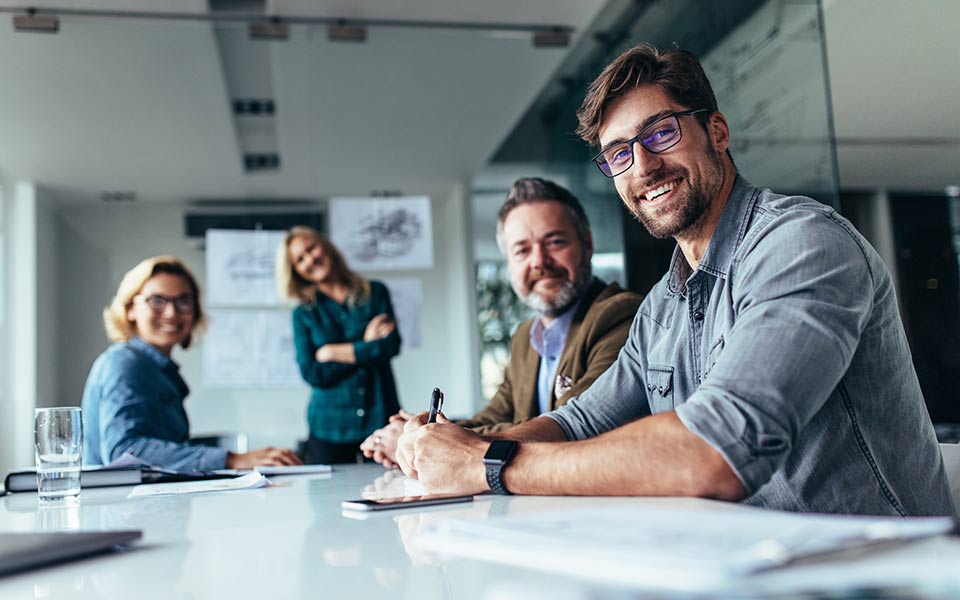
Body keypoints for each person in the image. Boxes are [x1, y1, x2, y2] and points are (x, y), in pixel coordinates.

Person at [396, 43, 957, 518]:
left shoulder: (801, 244)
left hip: (883, 574)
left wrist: (487, 464)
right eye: (618, 154)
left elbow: (716, 452)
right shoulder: (664, 304)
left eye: (660, 133)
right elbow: (579, 420)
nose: (642, 166)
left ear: (716, 130)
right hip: (750, 565)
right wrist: (460, 446)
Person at [360, 178, 642, 467]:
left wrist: (425, 441)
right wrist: (425, 432)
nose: (539, 261)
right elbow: (496, 416)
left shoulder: (619, 315)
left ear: (587, 244)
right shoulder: (525, 337)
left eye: (555, 242)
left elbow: (572, 424)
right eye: (522, 250)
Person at [82, 256, 302, 471]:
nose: (171, 313)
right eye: (157, 301)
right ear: (130, 308)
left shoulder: (157, 369)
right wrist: (231, 459)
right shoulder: (125, 364)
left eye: (183, 301)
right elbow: (124, 451)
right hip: (118, 505)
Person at [277, 226, 402, 464]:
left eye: (311, 248)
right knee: (327, 499)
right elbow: (313, 373)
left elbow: (390, 346)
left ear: (325, 245)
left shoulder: (375, 293)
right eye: (299, 259)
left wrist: (332, 352)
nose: (310, 259)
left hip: (380, 417)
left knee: (390, 491)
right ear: (296, 271)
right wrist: (366, 344)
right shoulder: (303, 313)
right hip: (329, 427)